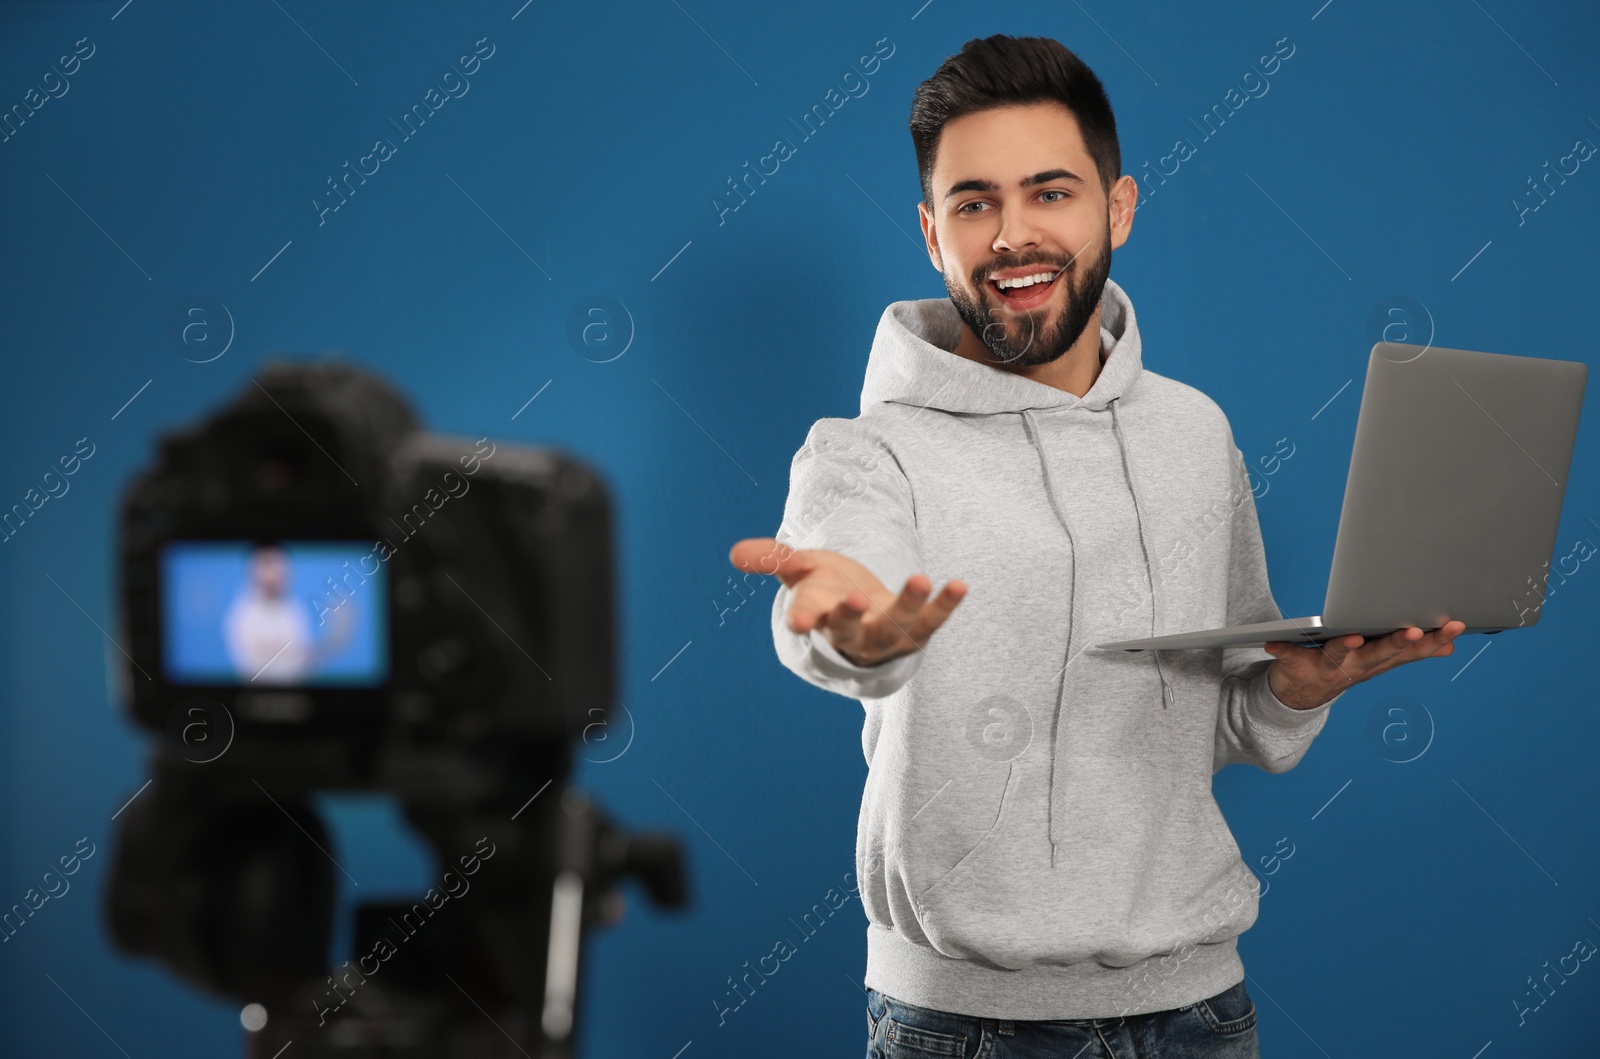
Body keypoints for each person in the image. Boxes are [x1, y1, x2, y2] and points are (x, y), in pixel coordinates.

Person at [727, 34, 1463, 1059]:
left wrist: (1299, 689)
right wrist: (857, 632)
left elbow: (1220, 718)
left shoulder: (1193, 434)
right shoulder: (864, 455)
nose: (1012, 234)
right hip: (962, 1024)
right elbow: (840, 612)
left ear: (1116, 207)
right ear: (932, 234)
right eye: (974, 202)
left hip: (1202, 1010)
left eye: (1049, 193)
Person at [223, 544, 314, 683]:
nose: (277, 571)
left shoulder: (295, 609)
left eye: (280, 564)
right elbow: (258, 670)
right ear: (253, 570)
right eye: (268, 563)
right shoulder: (242, 614)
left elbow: (303, 663)